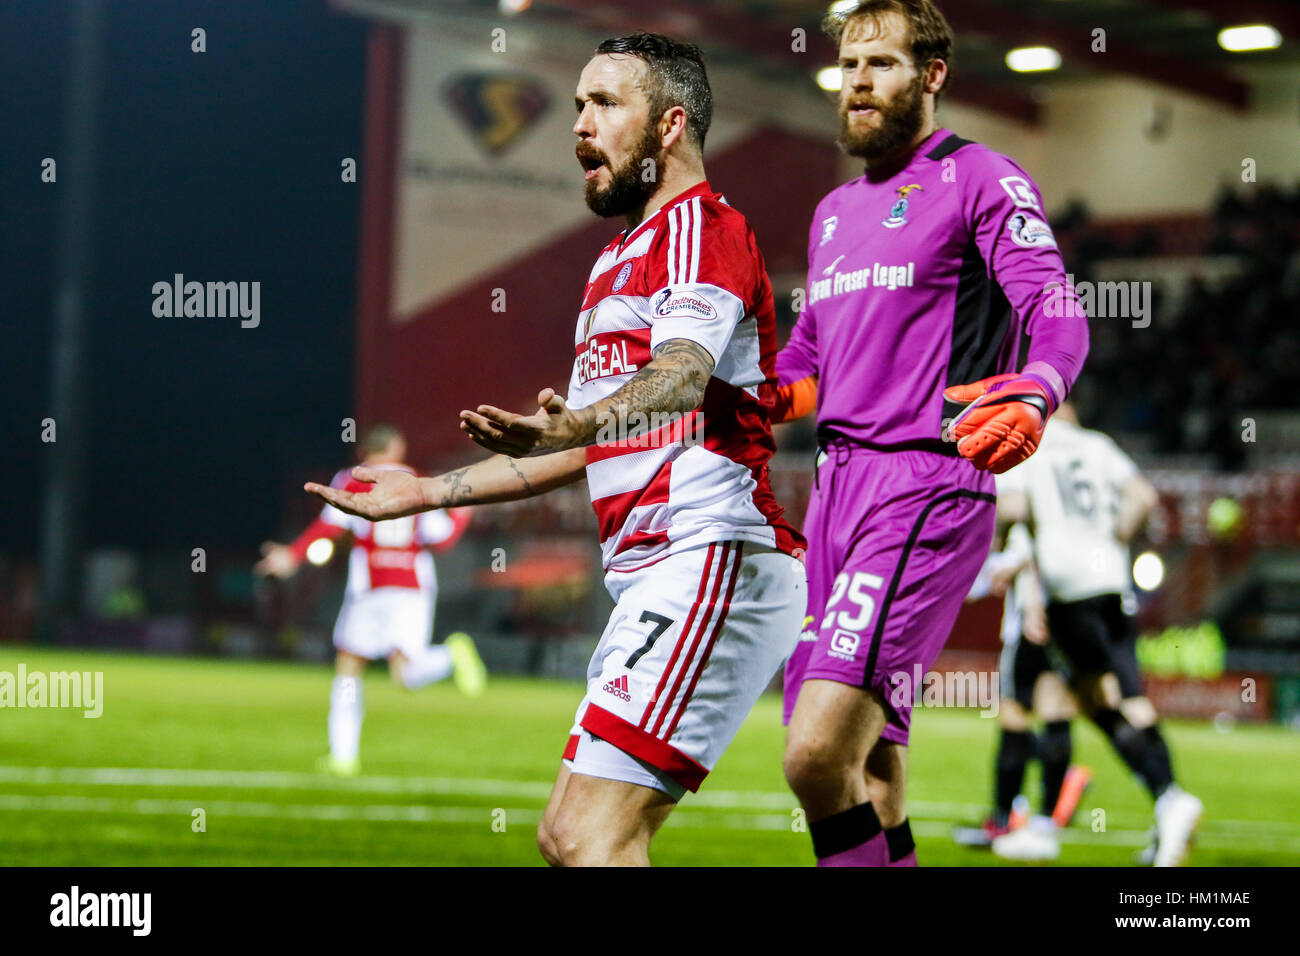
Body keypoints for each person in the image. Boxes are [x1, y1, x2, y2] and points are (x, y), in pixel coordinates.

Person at [307, 34, 806, 866]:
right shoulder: (615, 261)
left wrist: (582, 424)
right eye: (578, 104)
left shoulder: (703, 230)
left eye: (605, 104)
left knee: (584, 836)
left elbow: (682, 375)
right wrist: (423, 493)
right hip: (658, 570)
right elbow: (574, 448)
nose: (580, 123)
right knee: (581, 839)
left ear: (671, 125)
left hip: (714, 555)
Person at [771, 0, 1089, 866]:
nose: (858, 83)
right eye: (848, 67)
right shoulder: (833, 213)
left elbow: (1058, 314)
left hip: (924, 487)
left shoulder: (980, 176)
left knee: (812, 755)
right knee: (870, 763)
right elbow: (806, 369)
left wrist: (1035, 393)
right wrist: (736, 400)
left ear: (934, 75)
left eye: (881, 63)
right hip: (834, 497)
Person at [997, 402, 1202, 866]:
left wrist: (993, 547)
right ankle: (1051, 826)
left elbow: (1012, 507)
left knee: (1101, 700)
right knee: (1078, 695)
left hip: (1070, 592)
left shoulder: (1027, 444)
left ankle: (1170, 798)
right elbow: (1143, 498)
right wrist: (1112, 536)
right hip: (1110, 582)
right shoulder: (1097, 444)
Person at [255, 423, 483, 776]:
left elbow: (329, 525)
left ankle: (343, 756)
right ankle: (449, 657)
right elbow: (442, 541)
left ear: (366, 451)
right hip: (412, 588)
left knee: (349, 667)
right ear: (398, 448)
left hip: (368, 588)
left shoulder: (352, 477)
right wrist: (462, 517)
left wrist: (293, 556)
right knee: (405, 674)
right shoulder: (418, 481)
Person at [953, 523, 1091, 862]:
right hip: (1070, 620)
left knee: (1013, 716)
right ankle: (1043, 821)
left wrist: (994, 564)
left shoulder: (1026, 507)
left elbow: (1008, 564)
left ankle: (1004, 821)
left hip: (1029, 623)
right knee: (1054, 712)